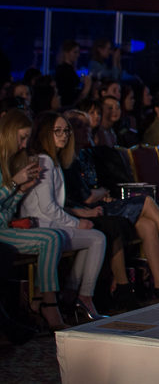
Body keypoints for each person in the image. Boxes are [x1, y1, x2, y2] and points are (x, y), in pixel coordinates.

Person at [63, 110, 159, 300]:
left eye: (87, 125)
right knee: (146, 201)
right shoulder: (67, 161)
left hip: (100, 205)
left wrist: (102, 194)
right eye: (79, 126)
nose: (86, 130)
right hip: (83, 212)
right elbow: (86, 197)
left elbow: (97, 189)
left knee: (148, 225)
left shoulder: (86, 155)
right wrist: (102, 193)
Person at [20, 111, 107, 321]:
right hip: (41, 226)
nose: (64, 135)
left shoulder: (53, 161)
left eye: (66, 131)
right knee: (97, 238)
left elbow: (54, 205)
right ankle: (82, 297)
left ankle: (72, 295)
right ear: (45, 133)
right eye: (57, 131)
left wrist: (79, 218)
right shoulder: (44, 161)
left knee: (94, 237)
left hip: (50, 223)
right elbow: (48, 207)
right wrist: (76, 223)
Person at [0, 110, 68, 331]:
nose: (23, 145)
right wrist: (13, 184)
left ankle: (41, 299)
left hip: (5, 227)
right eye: (21, 138)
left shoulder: (10, 160)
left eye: (26, 139)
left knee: (54, 237)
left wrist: (21, 190)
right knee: (51, 238)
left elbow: (7, 210)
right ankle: (48, 303)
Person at [55, 40, 92, 109]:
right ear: (66, 53)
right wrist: (86, 87)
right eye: (75, 52)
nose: (78, 55)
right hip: (68, 105)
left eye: (78, 52)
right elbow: (68, 93)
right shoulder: (64, 70)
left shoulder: (70, 69)